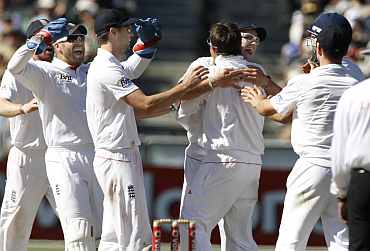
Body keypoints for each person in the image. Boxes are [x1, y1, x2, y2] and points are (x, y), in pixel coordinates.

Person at [85, 9, 244, 250]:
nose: (130, 34)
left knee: (114, 238)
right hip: (117, 157)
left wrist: (147, 45)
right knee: (135, 238)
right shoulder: (107, 68)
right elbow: (144, 104)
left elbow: (135, 78)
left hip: (118, 155)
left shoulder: (110, 65)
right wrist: (187, 87)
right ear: (112, 32)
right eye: (127, 30)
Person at [6, 15, 157, 250]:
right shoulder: (44, 73)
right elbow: (15, 67)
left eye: (81, 37)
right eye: (71, 38)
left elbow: (130, 69)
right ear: (56, 45)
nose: (78, 42)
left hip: (95, 155)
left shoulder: (93, 70)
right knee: (79, 231)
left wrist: (149, 44)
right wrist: (39, 38)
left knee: (106, 231)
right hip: (64, 158)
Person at [241, 13, 360, 251]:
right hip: (346, 171)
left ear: (318, 48)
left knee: (291, 241)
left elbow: (274, 111)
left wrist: (256, 97)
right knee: (343, 243)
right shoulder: (356, 76)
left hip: (311, 169)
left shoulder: (303, 82)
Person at [0, 18, 56, 251]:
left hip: (59, 154)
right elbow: (1, 104)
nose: (49, 46)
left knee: (79, 218)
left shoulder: (60, 69)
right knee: (15, 221)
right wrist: (22, 108)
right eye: (44, 40)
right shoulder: (17, 72)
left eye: (52, 40)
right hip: (27, 155)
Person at [331, 78, 370, 251]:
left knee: (360, 244)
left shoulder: (355, 93)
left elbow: (340, 149)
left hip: (364, 180)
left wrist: (341, 192)